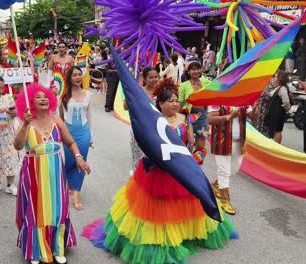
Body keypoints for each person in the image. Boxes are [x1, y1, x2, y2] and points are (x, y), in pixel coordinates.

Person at [82, 79, 236, 264]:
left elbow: (191, 143)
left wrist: (196, 155)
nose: (175, 103)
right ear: (160, 103)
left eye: (176, 100)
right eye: (170, 100)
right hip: (159, 174)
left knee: (187, 205)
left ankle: (184, 234)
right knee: (159, 211)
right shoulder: (154, 122)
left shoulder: (184, 119)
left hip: (182, 171)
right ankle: (160, 242)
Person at [14, 84, 90, 264]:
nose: (43, 99)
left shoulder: (57, 120)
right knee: (36, 209)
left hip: (55, 171)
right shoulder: (26, 122)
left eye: (45, 97)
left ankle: (57, 247)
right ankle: (35, 249)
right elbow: (17, 145)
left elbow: (70, 142)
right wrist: (24, 124)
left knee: (56, 208)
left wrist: (79, 157)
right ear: (30, 101)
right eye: (38, 97)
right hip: (33, 172)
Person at [208, 104, 256, 215]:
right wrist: (229, 116)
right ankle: (225, 200)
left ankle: (217, 185)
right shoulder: (218, 100)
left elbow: (253, 117)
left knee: (234, 169)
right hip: (222, 142)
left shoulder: (243, 101)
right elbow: (210, 119)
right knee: (223, 171)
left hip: (238, 142)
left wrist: (255, 112)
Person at [59, 66, 93, 210]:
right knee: (70, 161)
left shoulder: (88, 94)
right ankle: (69, 185)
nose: (78, 77)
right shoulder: (64, 95)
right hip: (68, 132)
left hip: (84, 132)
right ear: (70, 78)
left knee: (81, 161)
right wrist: (60, 134)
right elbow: (60, 117)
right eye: (74, 75)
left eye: (79, 75)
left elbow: (89, 116)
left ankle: (76, 194)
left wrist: (91, 135)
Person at [125, 67, 159, 172]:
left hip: (156, 130)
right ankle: (137, 177)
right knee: (139, 156)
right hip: (140, 128)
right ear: (144, 79)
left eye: (156, 77)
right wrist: (129, 96)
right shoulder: (138, 91)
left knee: (154, 157)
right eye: (151, 77)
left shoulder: (161, 92)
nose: (154, 79)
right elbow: (126, 106)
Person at [179, 61, 211, 158]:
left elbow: (217, 89)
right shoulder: (183, 85)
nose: (196, 71)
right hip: (189, 118)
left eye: (198, 69)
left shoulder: (206, 82)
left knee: (200, 148)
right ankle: (186, 167)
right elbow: (180, 104)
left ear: (201, 70)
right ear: (188, 72)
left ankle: (196, 169)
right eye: (193, 69)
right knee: (187, 146)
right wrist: (177, 119)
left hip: (202, 118)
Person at [264, 70, 291, 144]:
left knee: (277, 130)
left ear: (280, 78)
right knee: (275, 130)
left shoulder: (282, 89)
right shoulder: (279, 87)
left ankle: (277, 146)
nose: (274, 79)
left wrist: (284, 108)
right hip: (275, 112)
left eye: (276, 77)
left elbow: (286, 102)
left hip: (278, 112)